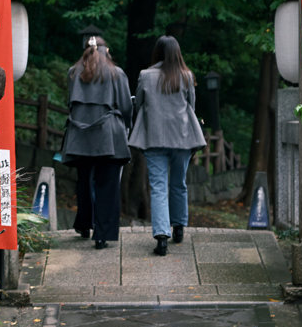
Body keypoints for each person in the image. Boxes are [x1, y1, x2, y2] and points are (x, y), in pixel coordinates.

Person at [129, 35, 205, 256]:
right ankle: (179, 226)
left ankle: (161, 237)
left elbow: (139, 104)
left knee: (158, 187)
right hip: (182, 138)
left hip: (154, 138)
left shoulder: (145, 75)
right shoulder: (187, 76)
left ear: (157, 52)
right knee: (179, 183)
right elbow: (191, 106)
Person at [60, 36, 132, 249]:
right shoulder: (116, 73)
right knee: (107, 184)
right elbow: (126, 106)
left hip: (79, 135)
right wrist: (126, 126)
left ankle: (84, 224)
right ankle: (102, 235)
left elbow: (70, 102)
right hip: (108, 134)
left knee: (83, 180)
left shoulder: (73, 73)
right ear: (106, 51)